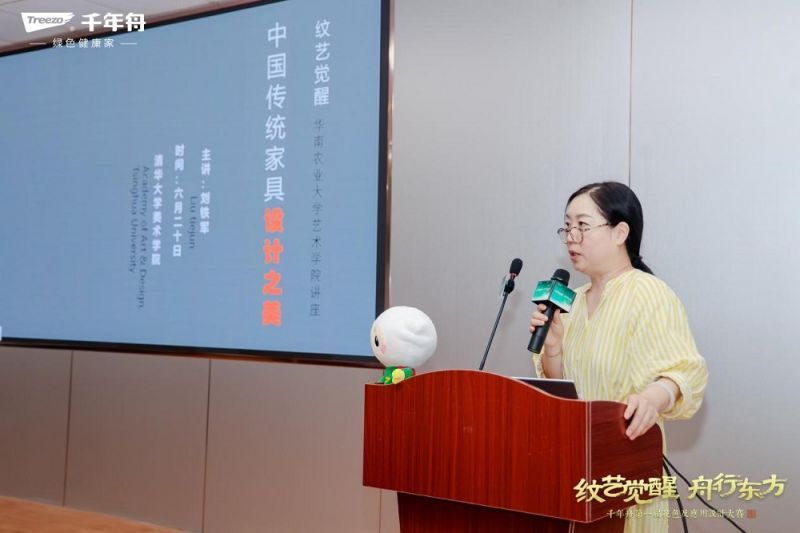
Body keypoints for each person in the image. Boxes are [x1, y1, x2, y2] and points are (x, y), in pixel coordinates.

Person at [529, 181, 708, 533]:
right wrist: (553, 347)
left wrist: (653, 398)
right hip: (576, 469)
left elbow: (685, 371)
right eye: (567, 227)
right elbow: (560, 389)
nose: (571, 238)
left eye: (582, 226)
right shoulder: (570, 301)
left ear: (620, 233)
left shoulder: (649, 293)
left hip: (628, 469)